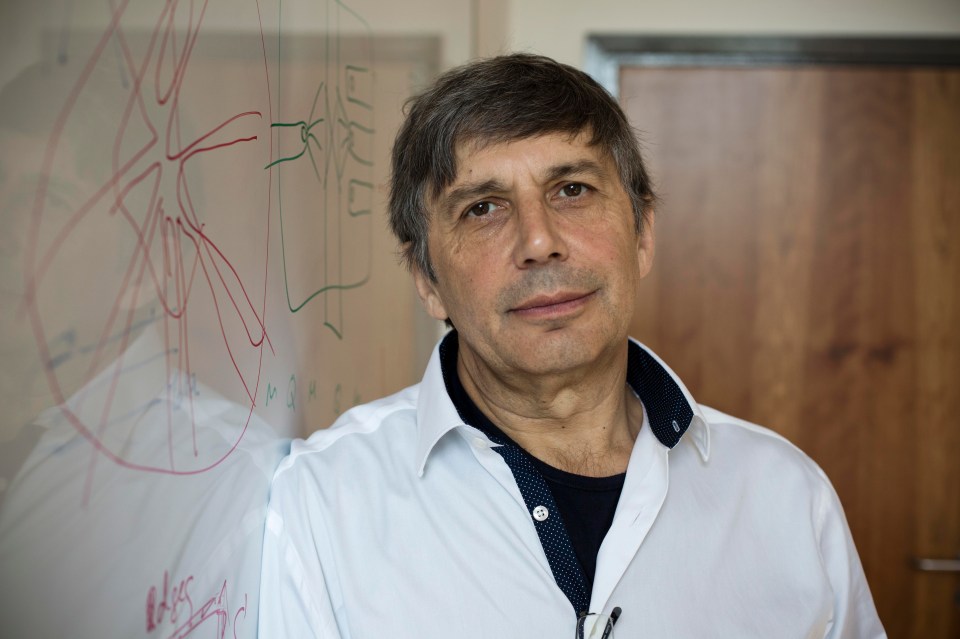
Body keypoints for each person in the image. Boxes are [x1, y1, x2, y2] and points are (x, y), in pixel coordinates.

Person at [258, 53, 885, 638]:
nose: (539, 241)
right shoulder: (321, 504)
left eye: (572, 190)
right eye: (482, 208)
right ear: (427, 279)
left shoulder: (787, 497)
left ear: (642, 234)